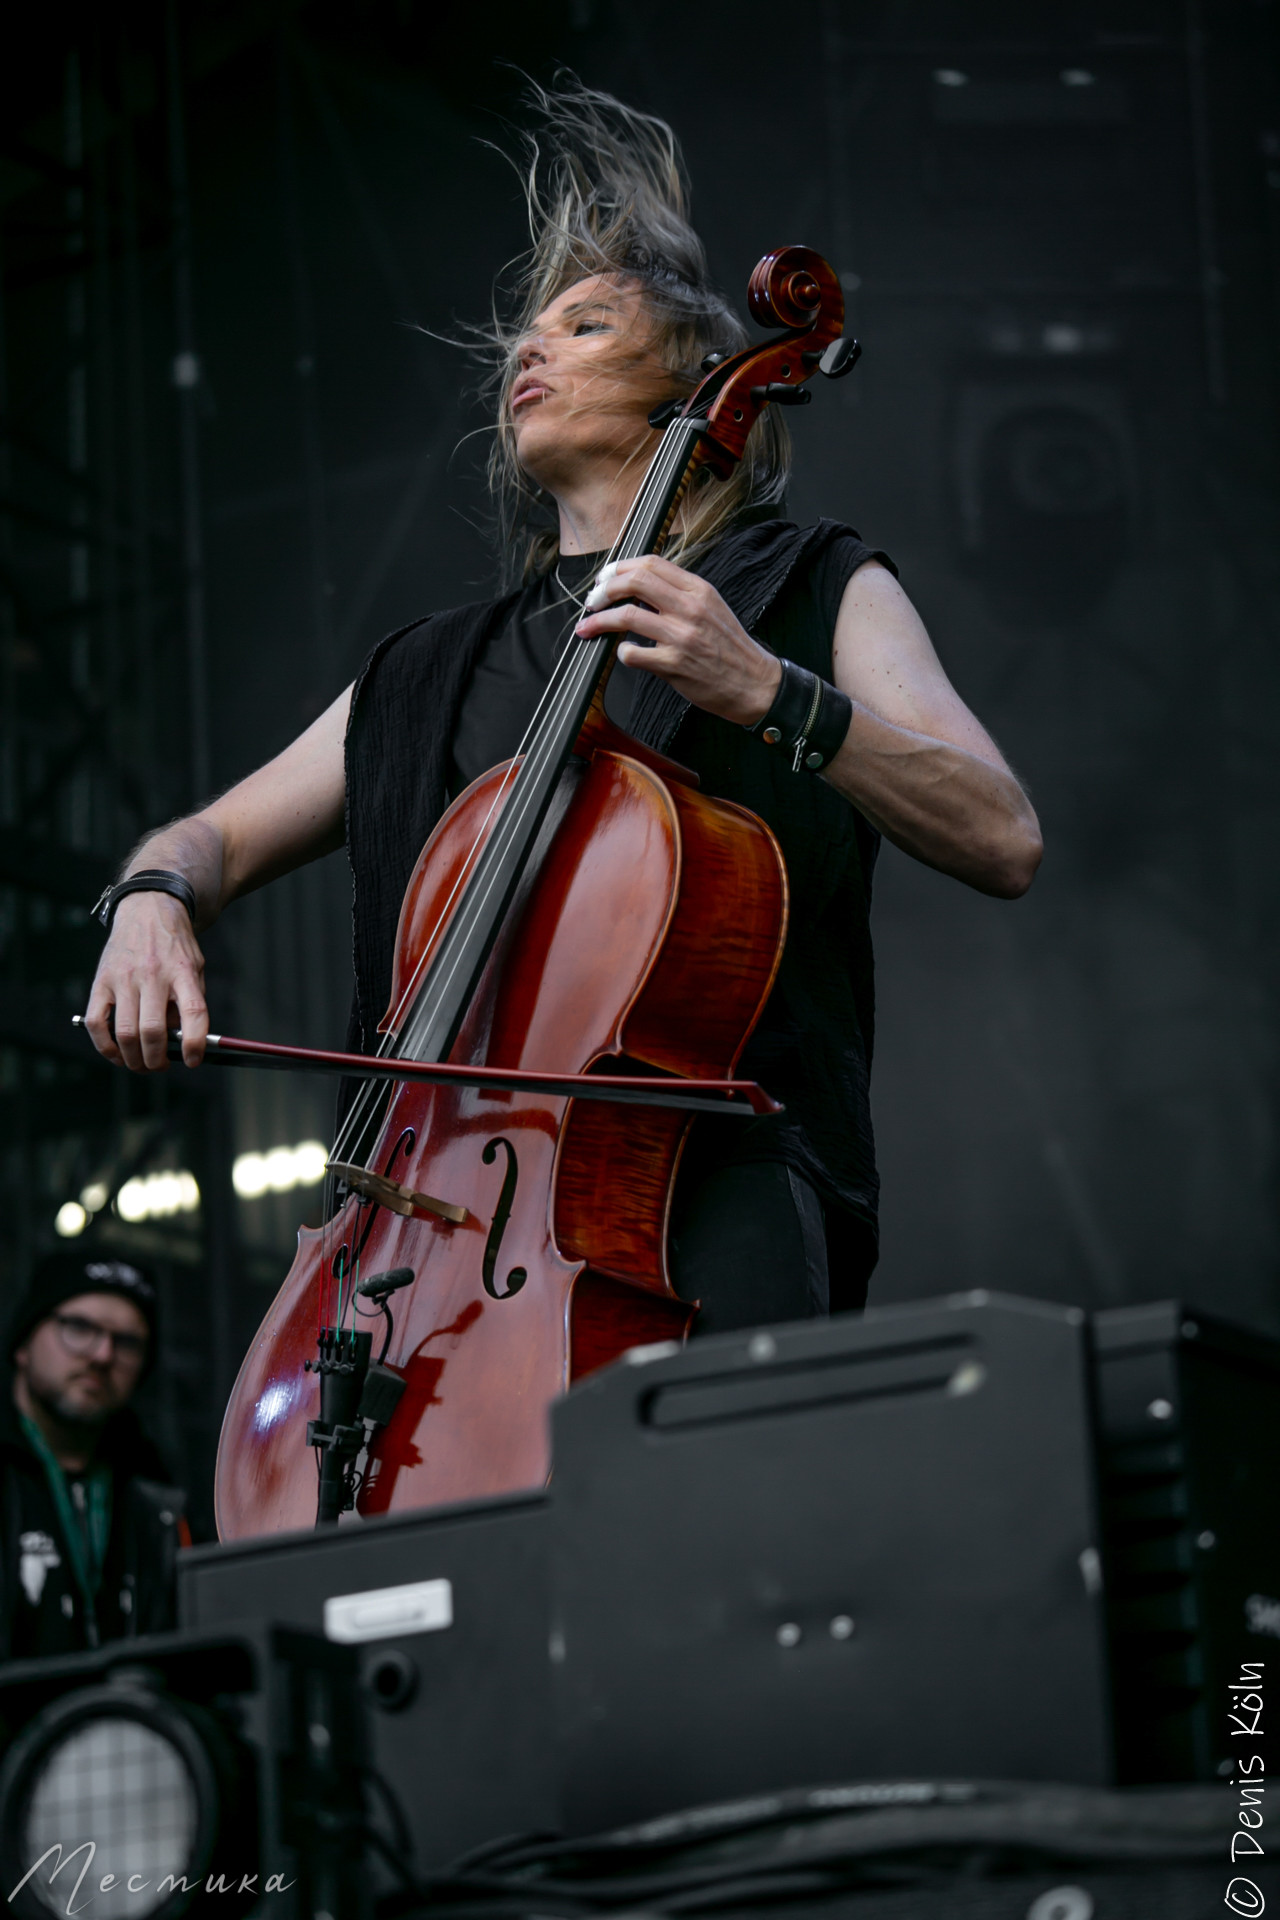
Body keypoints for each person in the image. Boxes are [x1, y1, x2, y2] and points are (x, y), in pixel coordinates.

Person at [84, 82, 1041, 1335]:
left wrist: (765, 689)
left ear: (694, 381)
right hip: (423, 1226)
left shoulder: (808, 586)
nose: (525, 354)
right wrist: (150, 902)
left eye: (583, 327)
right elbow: (206, 839)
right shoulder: (422, 668)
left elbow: (1000, 834)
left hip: (702, 1195)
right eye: (526, 339)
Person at [1, 1251, 186, 1661]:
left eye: (127, 1343)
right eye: (79, 1327)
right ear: (23, 1345)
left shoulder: (161, 1504)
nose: (103, 1355)